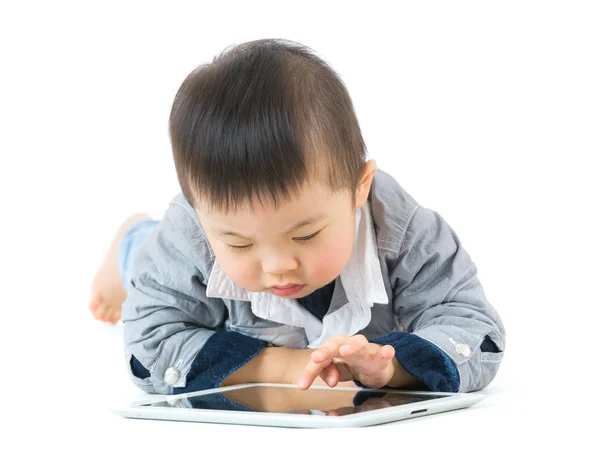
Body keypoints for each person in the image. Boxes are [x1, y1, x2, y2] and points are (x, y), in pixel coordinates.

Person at [89, 38, 505, 396]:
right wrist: (287, 367)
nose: (278, 265)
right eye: (240, 243)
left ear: (359, 189)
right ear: (201, 216)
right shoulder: (186, 236)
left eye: (305, 235)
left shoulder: (407, 231)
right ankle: (131, 239)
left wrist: (394, 368)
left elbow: (472, 326)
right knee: (145, 261)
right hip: (163, 259)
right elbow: (149, 346)